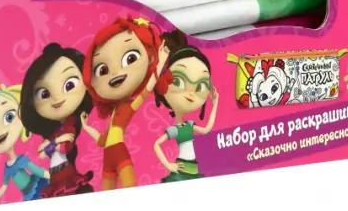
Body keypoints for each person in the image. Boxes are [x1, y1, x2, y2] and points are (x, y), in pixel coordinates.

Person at [80, 17, 172, 190]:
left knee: (130, 189)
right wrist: (85, 126)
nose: (115, 73)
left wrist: (160, 64)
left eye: (130, 58)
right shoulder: (114, 113)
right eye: (103, 70)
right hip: (108, 157)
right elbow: (102, 140)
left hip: (120, 154)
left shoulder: (128, 107)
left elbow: (146, 91)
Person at [20, 43, 94, 198]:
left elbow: (65, 145)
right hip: (55, 173)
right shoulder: (54, 131)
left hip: (65, 172)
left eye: (69, 85)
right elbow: (42, 153)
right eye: (44, 94)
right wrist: (53, 144)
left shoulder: (72, 123)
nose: (57, 98)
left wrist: (52, 145)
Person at [153, 31, 219, 183]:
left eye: (201, 85)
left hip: (193, 168)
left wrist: (215, 104)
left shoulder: (189, 125)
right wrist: (169, 166)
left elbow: (206, 129)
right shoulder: (175, 130)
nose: (190, 94)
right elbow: (156, 144)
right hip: (181, 168)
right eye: (178, 81)